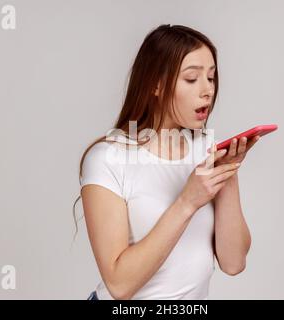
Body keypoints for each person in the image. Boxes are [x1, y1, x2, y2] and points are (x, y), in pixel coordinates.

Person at [74, 24, 261, 300]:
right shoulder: (107, 158)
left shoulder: (204, 150)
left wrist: (228, 175)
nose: (207, 90)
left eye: (211, 77)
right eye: (191, 79)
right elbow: (119, 285)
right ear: (155, 84)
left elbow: (234, 263)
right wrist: (187, 201)